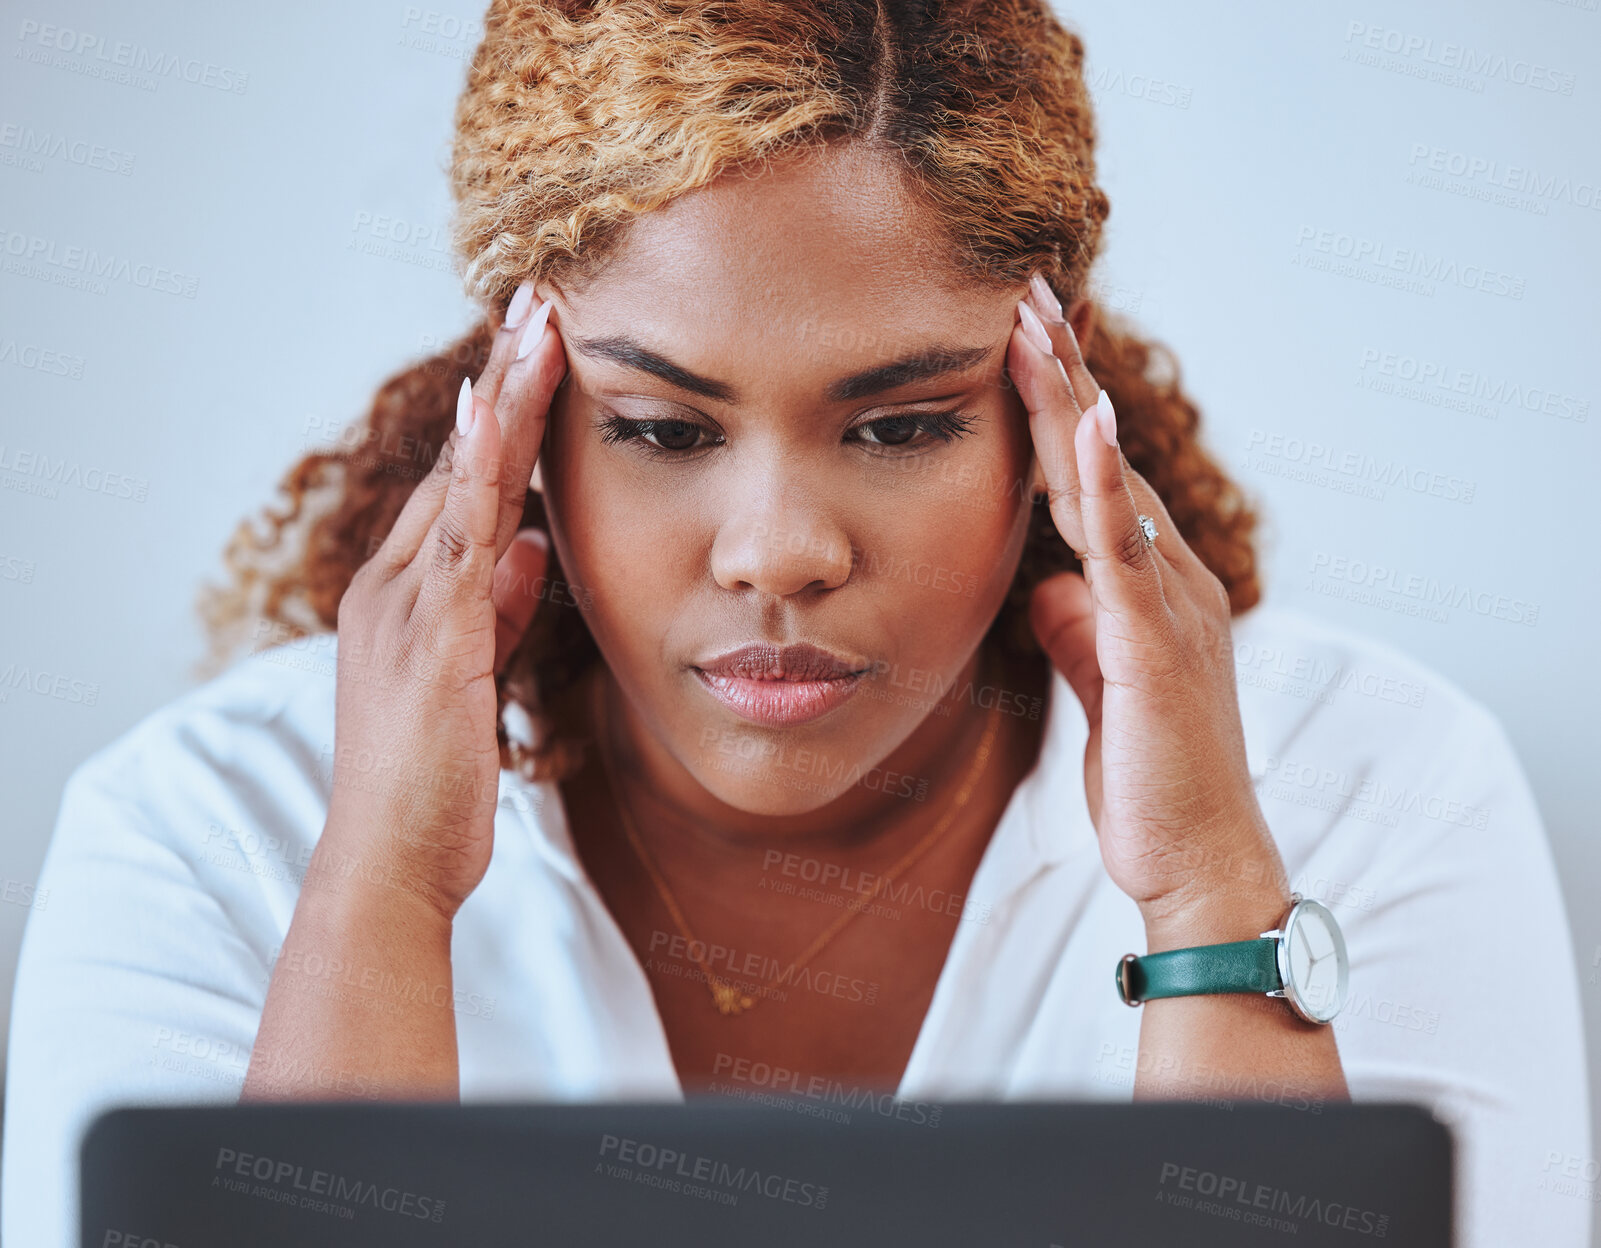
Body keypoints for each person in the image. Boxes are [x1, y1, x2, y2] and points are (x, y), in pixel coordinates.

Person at [3, 2, 1589, 1246]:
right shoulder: (209, 831)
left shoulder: (1376, 788)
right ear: (524, 405)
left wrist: (1211, 899)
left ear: (1050, 403)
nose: (779, 553)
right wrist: (378, 890)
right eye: (662, 429)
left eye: (899, 426)